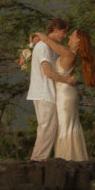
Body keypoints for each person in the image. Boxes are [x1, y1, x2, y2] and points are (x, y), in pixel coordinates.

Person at [32, 28, 95, 161]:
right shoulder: (69, 54)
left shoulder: (68, 53)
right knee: (67, 125)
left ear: (78, 40)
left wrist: (38, 35)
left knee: (64, 126)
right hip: (65, 92)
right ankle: (70, 157)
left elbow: (49, 42)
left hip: (64, 95)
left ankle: (67, 158)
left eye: (72, 36)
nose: (68, 37)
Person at [27, 18, 75, 161]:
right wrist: (67, 80)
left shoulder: (50, 47)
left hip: (48, 92)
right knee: (47, 126)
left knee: (48, 126)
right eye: (63, 32)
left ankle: (39, 158)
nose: (65, 36)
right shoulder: (43, 47)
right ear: (55, 29)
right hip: (43, 92)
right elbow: (48, 72)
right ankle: (38, 159)